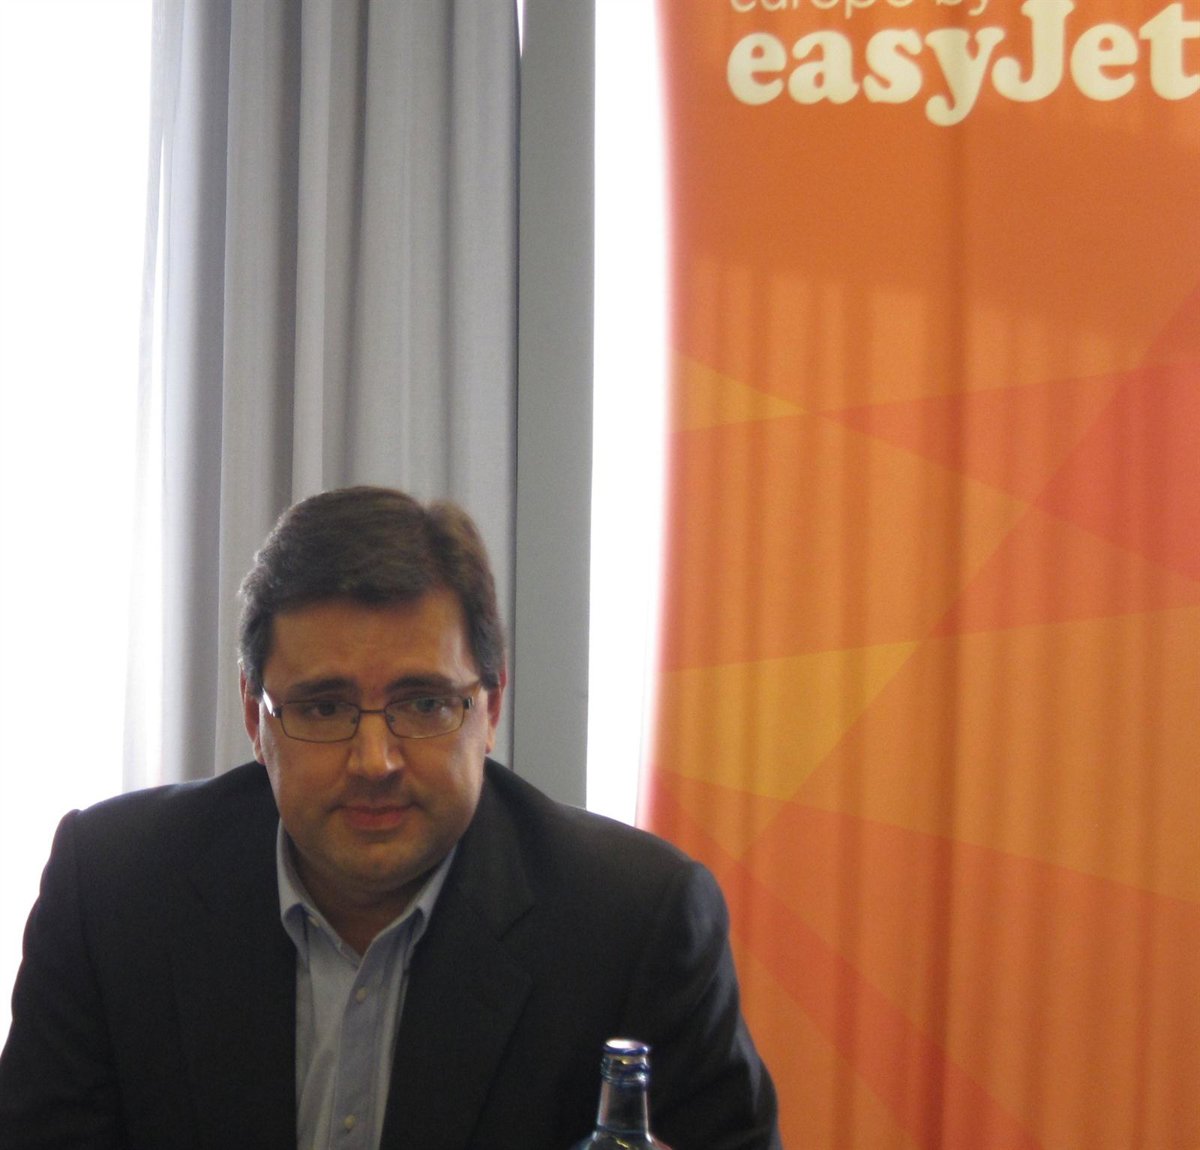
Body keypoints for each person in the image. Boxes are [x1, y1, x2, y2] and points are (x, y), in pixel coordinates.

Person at [0, 486, 780, 1150]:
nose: (375, 760)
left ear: (490, 708)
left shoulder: (636, 923)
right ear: (254, 715)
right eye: (324, 706)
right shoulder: (112, 890)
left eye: (424, 703)